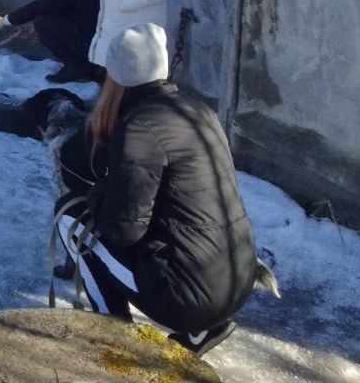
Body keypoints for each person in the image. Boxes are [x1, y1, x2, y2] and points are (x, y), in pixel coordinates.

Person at [54, 23, 259, 356]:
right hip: (235, 282)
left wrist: (97, 192)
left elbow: (121, 230)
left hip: (188, 296)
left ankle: (114, 338)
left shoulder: (140, 128)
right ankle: (202, 330)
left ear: (115, 75)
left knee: (70, 219)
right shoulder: (197, 110)